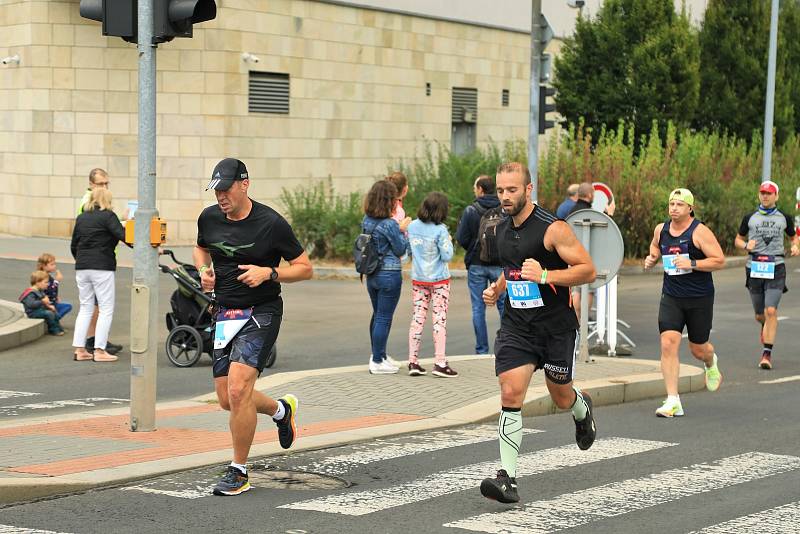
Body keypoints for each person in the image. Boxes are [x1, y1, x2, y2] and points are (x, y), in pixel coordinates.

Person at [479, 162, 598, 504]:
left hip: (556, 329)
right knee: (510, 393)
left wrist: (546, 276)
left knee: (561, 396)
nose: (505, 196)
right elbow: (514, 270)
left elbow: (587, 270)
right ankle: (507, 478)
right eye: (501, 190)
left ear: (528, 190)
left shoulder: (553, 228)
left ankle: (581, 409)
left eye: (512, 190)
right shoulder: (500, 229)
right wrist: (498, 288)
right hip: (518, 327)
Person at [195, 158, 313, 496]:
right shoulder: (209, 217)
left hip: (261, 312)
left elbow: (305, 268)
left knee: (238, 388)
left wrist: (269, 273)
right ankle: (281, 410)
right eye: (216, 189)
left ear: (244, 184)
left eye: (226, 188)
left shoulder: (271, 223)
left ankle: (239, 471)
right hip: (224, 313)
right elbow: (201, 248)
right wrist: (204, 270)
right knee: (226, 399)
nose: (220, 195)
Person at [644, 188, 725, 417]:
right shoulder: (661, 229)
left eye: (679, 204)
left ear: (690, 208)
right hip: (671, 296)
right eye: (671, 204)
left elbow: (719, 260)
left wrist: (692, 264)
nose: (674, 208)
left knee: (698, 348)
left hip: (699, 298)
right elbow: (654, 245)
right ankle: (673, 401)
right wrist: (652, 257)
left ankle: (710, 361)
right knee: (668, 343)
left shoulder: (700, 232)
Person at [734, 180, 799, 370]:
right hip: (754, 266)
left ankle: (766, 354)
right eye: (762, 192)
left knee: (771, 311)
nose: (765, 196)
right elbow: (738, 239)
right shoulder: (750, 217)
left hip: (776, 266)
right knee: (759, 314)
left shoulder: (784, 218)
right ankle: (765, 326)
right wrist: (746, 245)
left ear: (776, 196)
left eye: (769, 193)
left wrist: (795, 245)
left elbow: (793, 236)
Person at [71, 188, 127, 363]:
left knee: (86, 307)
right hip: (102, 266)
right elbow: (124, 236)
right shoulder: (108, 216)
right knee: (105, 308)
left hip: (82, 266)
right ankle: (99, 350)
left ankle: (80, 350)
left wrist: (81, 260)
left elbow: (74, 244)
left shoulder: (82, 217)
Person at [362, 180, 411, 374]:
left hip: (371, 273)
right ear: (389, 200)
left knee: (378, 315)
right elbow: (400, 248)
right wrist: (402, 230)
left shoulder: (366, 220)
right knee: (383, 316)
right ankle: (376, 361)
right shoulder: (390, 224)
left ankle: (380, 355)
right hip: (389, 274)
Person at [406, 192, 457, 377]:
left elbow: (406, 253)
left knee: (418, 318)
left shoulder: (412, 227)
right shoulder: (441, 230)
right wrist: (449, 242)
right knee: (439, 319)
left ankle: (413, 361)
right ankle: (440, 362)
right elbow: (447, 256)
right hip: (439, 281)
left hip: (419, 279)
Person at [455, 175, 506, 354]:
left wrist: (474, 249)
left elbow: (461, 238)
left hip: (476, 264)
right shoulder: (503, 209)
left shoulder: (471, 210)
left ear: (480, 190)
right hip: (499, 265)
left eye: (475, 188)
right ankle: (506, 346)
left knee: (478, 307)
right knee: (503, 306)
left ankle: (482, 350)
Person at [19, 270, 64, 336]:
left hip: (40, 309)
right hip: (33, 312)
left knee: (53, 311)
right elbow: (31, 304)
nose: (47, 284)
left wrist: (49, 306)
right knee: (49, 314)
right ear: (38, 282)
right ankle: (53, 329)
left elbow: (45, 300)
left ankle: (59, 328)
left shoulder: (40, 290)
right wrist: (42, 301)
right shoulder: (31, 293)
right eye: (45, 282)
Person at [37, 253, 72, 321]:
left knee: (67, 306)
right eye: (52, 264)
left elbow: (52, 289)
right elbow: (48, 289)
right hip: (45, 304)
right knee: (66, 307)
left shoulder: (48, 276)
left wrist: (56, 297)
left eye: (54, 264)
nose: (54, 266)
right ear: (44, 266)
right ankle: (53, 320)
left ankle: (53, 318)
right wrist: (56, 281)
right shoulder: (41, 276)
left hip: (52, 302)